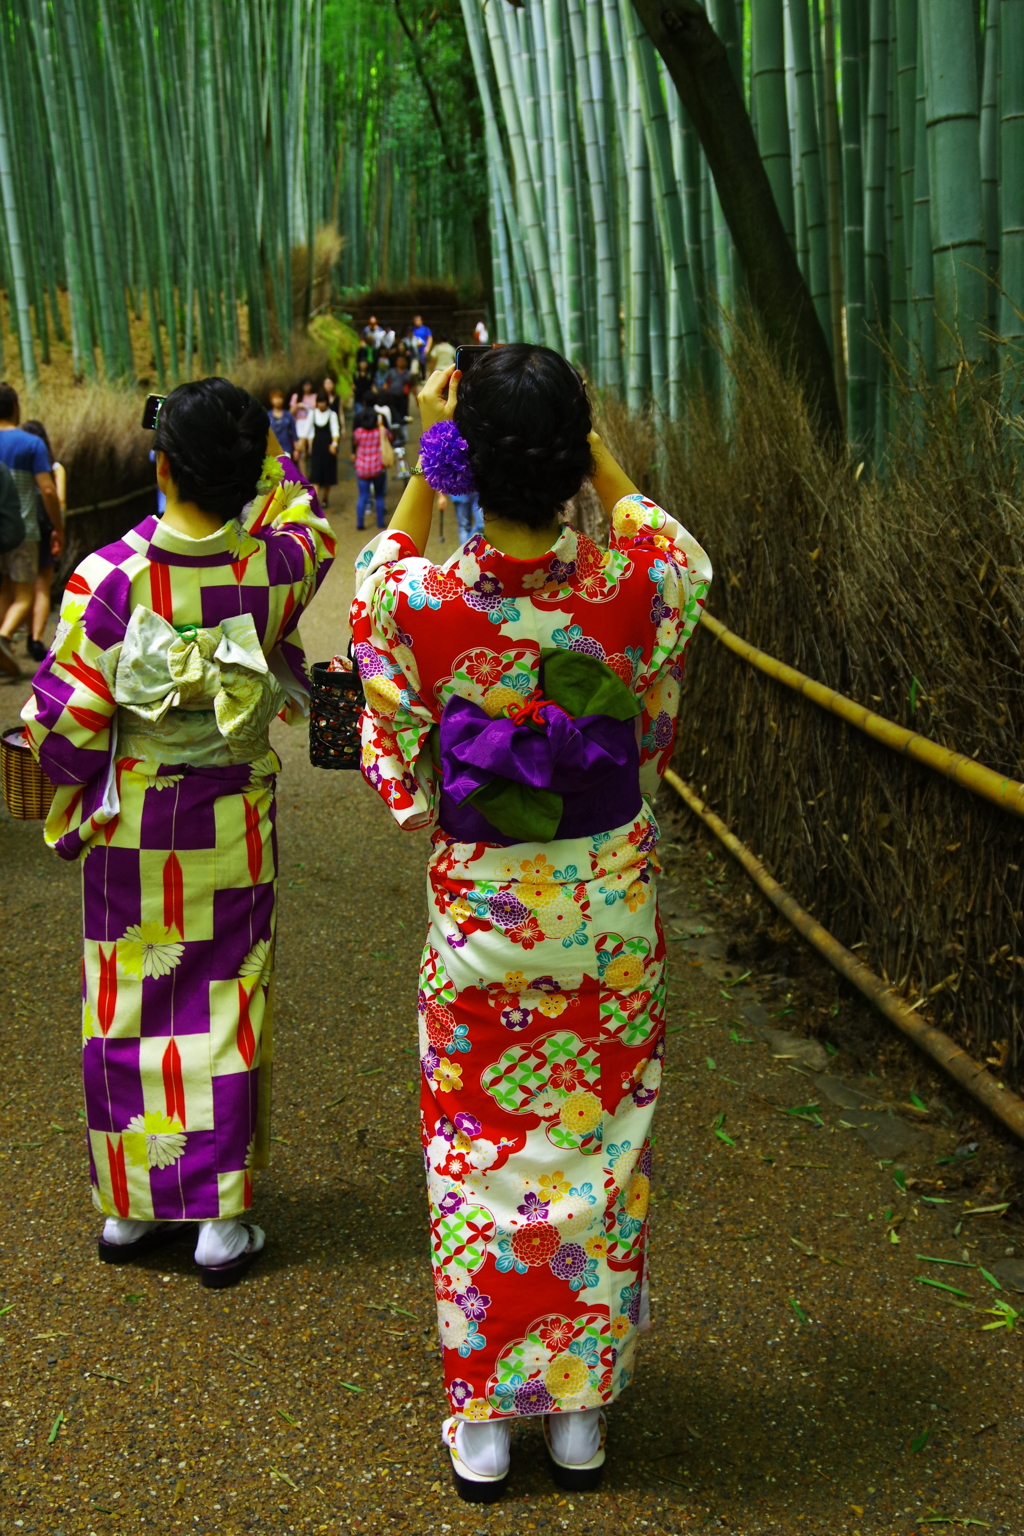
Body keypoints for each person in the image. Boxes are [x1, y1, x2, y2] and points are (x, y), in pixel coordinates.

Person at [350, 349, 711, 1500]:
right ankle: (579, 1414)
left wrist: (422, 455)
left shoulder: (420, 600)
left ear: (464, 462)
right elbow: (680, 557)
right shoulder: (627, 590)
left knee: (478, 1159)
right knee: (597, 1154)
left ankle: (488, 1418)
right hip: (605, 904)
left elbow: (370, 602)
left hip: (484, 919)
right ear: (571, 463)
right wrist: (591, 444)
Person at [22, 378, 334, 1287]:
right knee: (226, 1004)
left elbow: (63, 729)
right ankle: (217, 1221)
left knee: (127, 1002)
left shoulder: (107, 579)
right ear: (250, 475)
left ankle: (128, 1207)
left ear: (159, 465)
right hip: (231, 813)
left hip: (136, 823)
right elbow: (308, 516)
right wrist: (262, 452)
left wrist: (98, 757)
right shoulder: (272, 569)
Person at [0, 383, 63, 677]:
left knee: (4, 590)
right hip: (24, 531)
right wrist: (58, 527)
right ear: (15, 407)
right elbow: (48, 491)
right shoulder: (30, 444)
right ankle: (3, 637)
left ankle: (4, 651)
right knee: (25, 594)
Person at [20, 419, 66, 662]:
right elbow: (60, 501)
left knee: (20, 584)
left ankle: (23, 632)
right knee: (42, 583)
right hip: (46, 525)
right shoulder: (55, 468)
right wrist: (59, 530)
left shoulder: (16, 466)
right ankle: (36, 638)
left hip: (21, 527)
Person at [351, 403, 391, 530]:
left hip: (362, 469)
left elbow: (355, 443)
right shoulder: (380, 431)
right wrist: (381, 424)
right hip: (377, 469)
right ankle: (380, 522)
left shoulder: (358, 433)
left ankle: (360, 523)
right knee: (379, 495)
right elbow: (391, 437)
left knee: (363, 496)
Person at [299, 391, 341, 507]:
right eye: (319, 402)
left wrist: (334, 444)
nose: (321, 404)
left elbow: (335, 431)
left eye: (323, 402)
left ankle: (325, 497)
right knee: (315, 473)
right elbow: (306, 429)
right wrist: (302, 444)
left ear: (327, 402)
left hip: (328, 447)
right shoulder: (313, 414)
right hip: (317, 446)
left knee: (328, 474)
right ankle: (315, 498)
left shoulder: (332, 415)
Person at [268, 388, 299, 461]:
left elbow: (294, 434)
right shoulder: (267, 416)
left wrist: (296, 450)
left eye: (280, 398)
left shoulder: (288, 416)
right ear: (271, 400)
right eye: (275, 398)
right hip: (271, 451)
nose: (278, 400)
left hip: (286, 449)